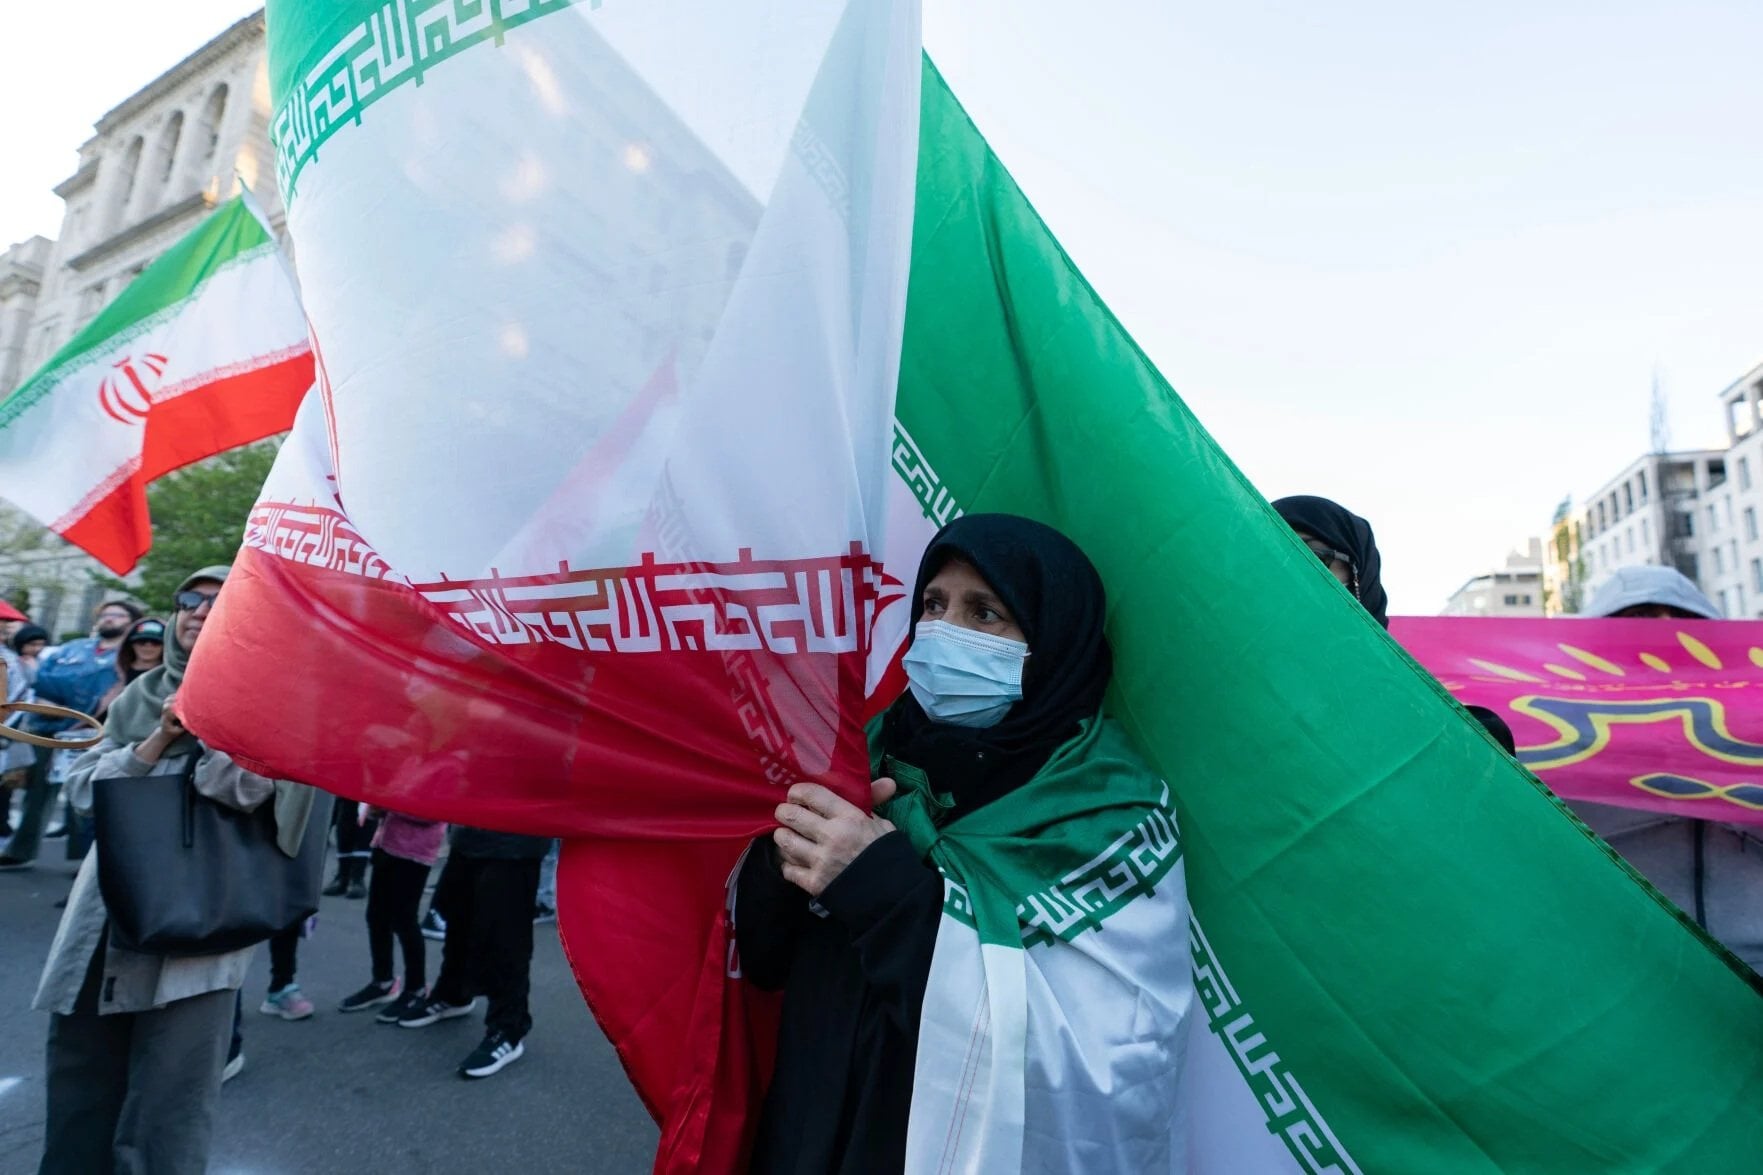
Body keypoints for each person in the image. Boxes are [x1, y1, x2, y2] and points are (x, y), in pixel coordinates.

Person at [735, 514, 1190, 1173]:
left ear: (1051, 642)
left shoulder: (1109, 811)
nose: (944, 632)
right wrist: (783, 858)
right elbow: (764, 959)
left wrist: (879, 884)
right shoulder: (858, 754)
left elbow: (1103, 1059)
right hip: (807, 1129)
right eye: (932, 604)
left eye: (984, 614)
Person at [31, 567, 323, 1173]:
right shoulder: (138, 697)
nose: (198, 610)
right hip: (103, 918)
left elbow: (258, 795)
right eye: (189, 600)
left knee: (170, 1103)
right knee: (80, 1079)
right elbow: (84, 792)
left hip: (199, 929)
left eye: (221, 602)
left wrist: (211, 724)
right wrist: (155, 743)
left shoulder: (275, 702)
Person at [1574, 565, 1763, 972]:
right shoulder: (1553, 741)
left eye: (1685, 620)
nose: (1664, 632)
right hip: (1626, 975)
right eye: (1639, 618)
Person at [397, 822, 547, 1079]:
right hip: (469, 833)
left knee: (505, 938)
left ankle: (508, 1029)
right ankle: (453, 994)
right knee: (458, 925)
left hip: (516, 842)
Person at [0, 600, 140, 869]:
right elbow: (41, 677)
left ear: (132, 620)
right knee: (36, 791)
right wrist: (46, 704)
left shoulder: (131, 653)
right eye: (105, 614)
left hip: (95, 732)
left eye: (117, 614)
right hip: (48, 727)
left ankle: (84, 859)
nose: (109, 619)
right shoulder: (72, 649)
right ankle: (21, 848)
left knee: (86, 792)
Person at [338, 805, 447, 1021]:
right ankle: (383, 981)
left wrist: (389, 804)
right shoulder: (405, 769)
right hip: (386, 843)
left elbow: (435, 812)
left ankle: (416, 987)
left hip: (416, 851)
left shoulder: (441, 770)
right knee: (377, 916)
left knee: (404, 920)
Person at [1271, 494, 1390, 628]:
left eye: (1314, 558)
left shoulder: (1381, 649)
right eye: (1272, 562)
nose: (1293, 574)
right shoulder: (1246, 643)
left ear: (1359, 571)